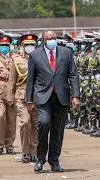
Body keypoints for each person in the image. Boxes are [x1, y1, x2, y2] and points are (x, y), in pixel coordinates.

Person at [26, 30, 80, 172]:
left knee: (58, 130)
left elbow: (73, 75)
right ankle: (40, 158)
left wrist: (76, 96)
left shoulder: (66, 53)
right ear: (43, 41)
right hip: (43, 96)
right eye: (48, 38)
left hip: (61, 96)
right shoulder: (35, 55)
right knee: (43, 123)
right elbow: (30, 79)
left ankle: (54, 161)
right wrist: (29, 100)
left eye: (53, 38)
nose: (51, 40)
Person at [8, 34, 38, 163]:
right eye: (27, 45)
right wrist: (10, 97)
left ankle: (34, 152)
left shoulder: (40, 58)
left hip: (37, 96)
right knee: (26, 122)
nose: (29, 47)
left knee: (36, 124)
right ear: (23, 46)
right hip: (21, 95)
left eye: (32, 45)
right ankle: (25, 151)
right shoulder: (17, 60)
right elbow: (12, 79)